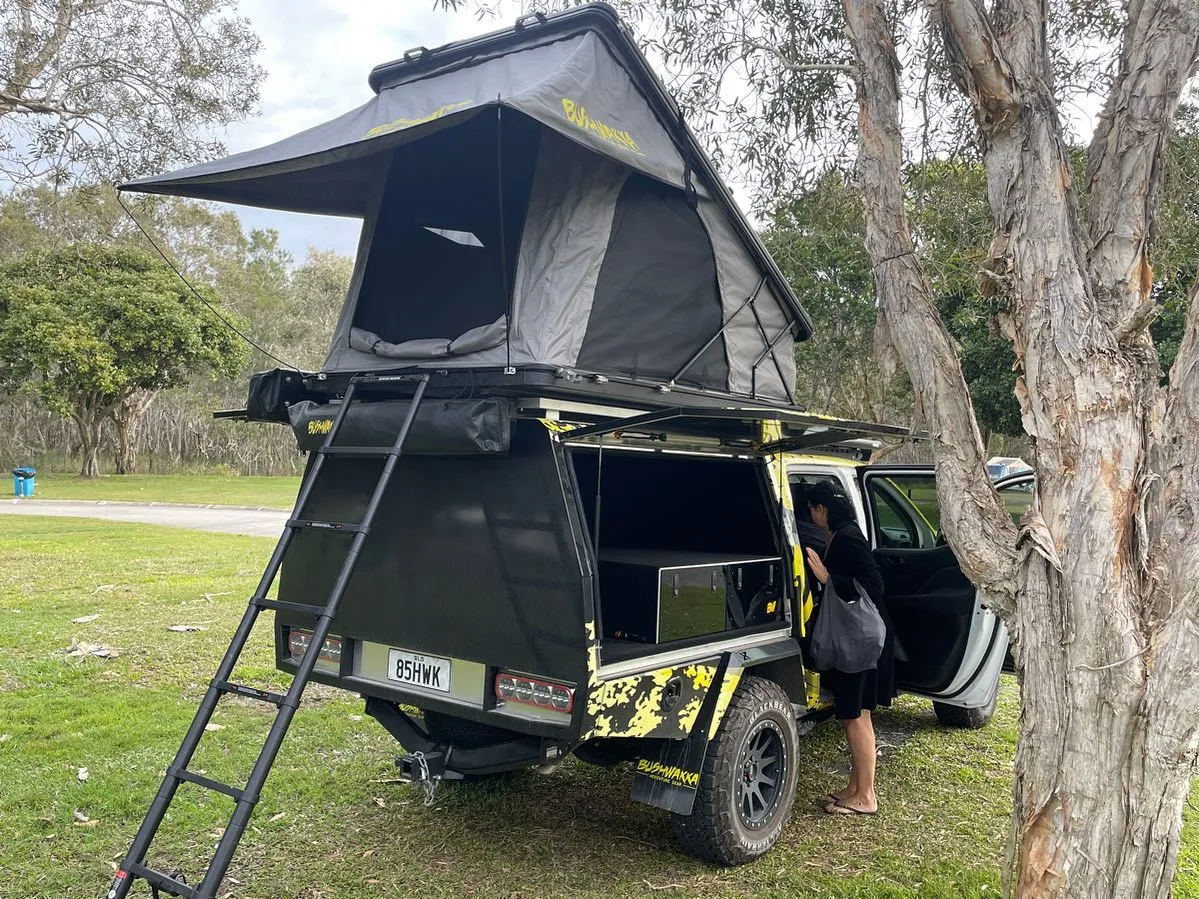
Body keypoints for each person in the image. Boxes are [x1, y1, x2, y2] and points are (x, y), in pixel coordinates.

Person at [803, 481, 894, 815]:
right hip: (864, 640)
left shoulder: (848, 538)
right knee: (857, 715)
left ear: (821, 510)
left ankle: (866, 797)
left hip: (862, 641)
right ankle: (855, 788)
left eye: (812, 509)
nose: (811, 516)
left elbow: (873, 585)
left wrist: (829, 579)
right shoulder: (845, 533)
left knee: (855, 717)